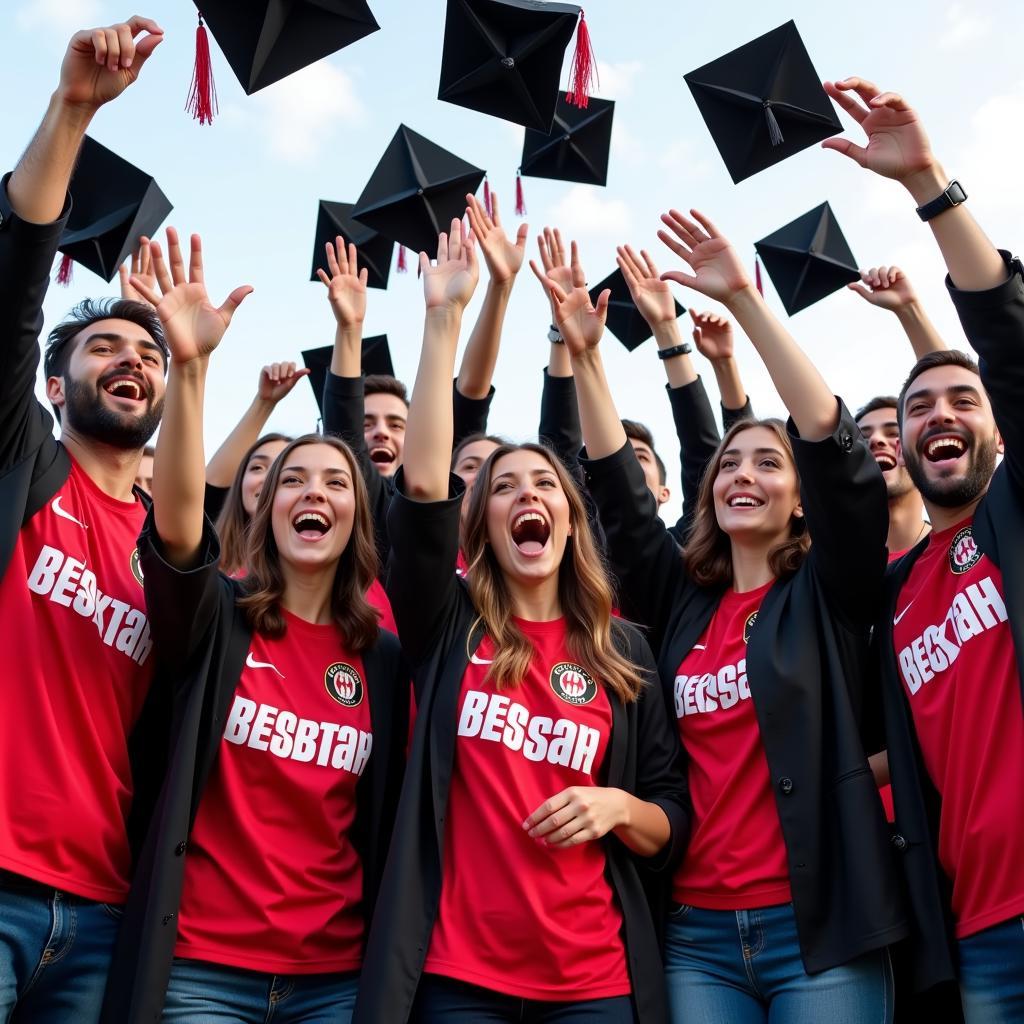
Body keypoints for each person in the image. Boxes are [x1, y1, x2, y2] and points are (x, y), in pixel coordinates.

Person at [537, 218, 905, 1022]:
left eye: (768, 463)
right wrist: (588, 355)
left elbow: (832, 448)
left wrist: (744, 299)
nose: (743, 474)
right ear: (706, 493)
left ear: (800, 495)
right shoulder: (681, 603)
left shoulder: (830, 590)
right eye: (729, 464)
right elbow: (622, 498)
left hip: (821, 931)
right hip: (697, 935)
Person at [354, 218, 689, 1024]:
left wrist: (617, 808)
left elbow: (670, 815)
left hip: (596, 985)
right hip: (459, 982)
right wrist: (445, 319)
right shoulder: (447, 623)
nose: (525, 497)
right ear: (481, 527)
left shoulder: (626, 651)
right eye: (502, 487)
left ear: (571, 519)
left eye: (543, 484)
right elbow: (425, 487)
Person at [101, 229, 407, 1023]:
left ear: (357, 514)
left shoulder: (382, 658)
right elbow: (176, 530)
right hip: (204, 974)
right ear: (263, 508)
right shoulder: (217, 617)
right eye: (290, 480)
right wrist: (192, 369)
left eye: (336, 481)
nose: (313, 491)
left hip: (334, 982)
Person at [824, 75, 1024, 1022]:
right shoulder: (892, 593)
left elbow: (1009, 346)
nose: (939, 416)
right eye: (917, 409)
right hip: (976, 932)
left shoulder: (1014, 518)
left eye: (964, 402)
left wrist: (930, 186)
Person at [0, 16, 167, 1022]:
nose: (130, 361)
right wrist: (72, 111)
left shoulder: (182, 544)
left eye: (145, 355)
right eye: (103, 348)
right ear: (55, 386)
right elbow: (15, 288)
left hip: (103, 912)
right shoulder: (25, 466)